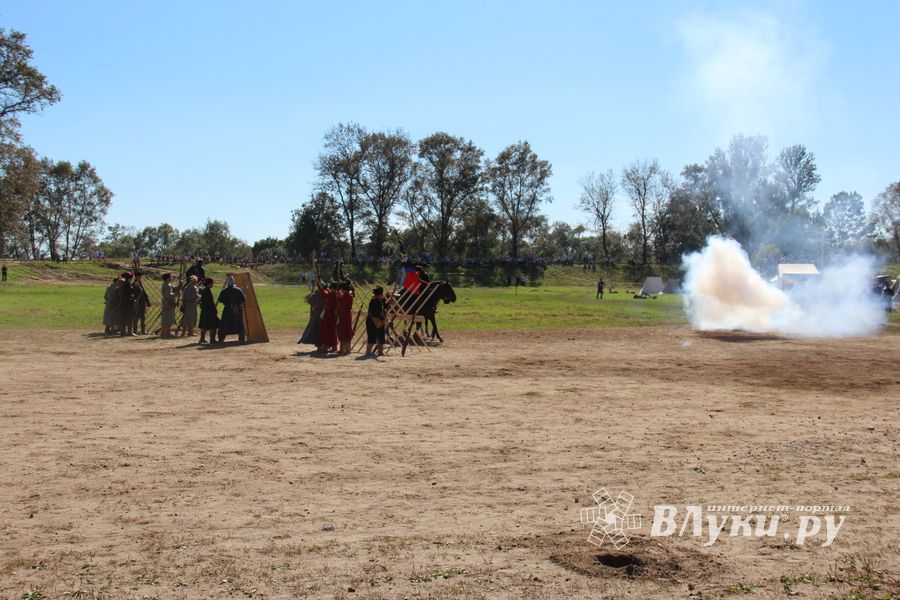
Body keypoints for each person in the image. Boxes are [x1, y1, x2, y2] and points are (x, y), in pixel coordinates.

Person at [217, 275, 246, 343]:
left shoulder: (224, 291)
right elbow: (243, 299)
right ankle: (241, 338)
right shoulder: (238, 290)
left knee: (225, 323)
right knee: (238, 323)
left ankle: (221, 339)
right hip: (237, 309)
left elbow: (220, 300)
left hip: (227, 309)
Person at [298, 286, 324, 350]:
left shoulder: (319, 294)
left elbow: (310, 300)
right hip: (320, 314)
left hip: (319, 315)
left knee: (318, 330)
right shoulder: (320, 294)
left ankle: (321, 345)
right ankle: (320, 345)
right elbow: (310, 300)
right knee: (318, 330)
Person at [365, 286, 387, 357]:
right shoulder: (373, 301)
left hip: (380, 320)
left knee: (381, 336)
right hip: (372, 321)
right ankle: (368, 352)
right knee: (371, 336)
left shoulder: (382, 300)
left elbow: (385, 306)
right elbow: (374, 312)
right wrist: (381, 313)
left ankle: (380, 352)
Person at [318, 281, 338, 353]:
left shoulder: (331, 294)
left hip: (329, 314)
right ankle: (334, 347)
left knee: (326, 330)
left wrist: (321, 288)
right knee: (333, 331)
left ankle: (325, 347)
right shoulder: (337, 294)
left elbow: (324, 295)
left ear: (332, 287)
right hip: (334, 315)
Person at [336, 280, 355, 355]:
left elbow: (342, 305)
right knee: (343, 332)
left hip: (345, 315)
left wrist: (339, 298)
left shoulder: (347, 296)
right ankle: (342, 349)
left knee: (346, 332)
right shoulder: (346, 295)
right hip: (344, 315)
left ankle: (347, 350)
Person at [198, 277, 219, 344]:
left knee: (205, 325)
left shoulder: (205, 290)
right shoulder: (206, 291)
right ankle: (212, 340)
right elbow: (210, 302)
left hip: (205, 310)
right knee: (213, 325)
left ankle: (202, 339)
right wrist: (214, 310)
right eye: (212, 283)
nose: (212, 284)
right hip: (209, 310)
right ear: (209, 283)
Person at [160, 273, 181, 338]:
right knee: (167, 318)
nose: (171, 278)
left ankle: (165, 333)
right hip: (168, 303)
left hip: (169, 303)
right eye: (170, 277)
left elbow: (174, 289)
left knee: (168, 318)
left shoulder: (168, 285)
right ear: (167, 278)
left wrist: (180, 284)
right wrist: (176, 293)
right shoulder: (166, 285)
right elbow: (168, 295)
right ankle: (166, 333)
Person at [119, 272, 137, 336]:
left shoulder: (124, 284)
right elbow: (130, 294)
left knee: (124, 318)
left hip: (124, 304)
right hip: (128, 304)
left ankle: (123, 332)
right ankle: (129, 332)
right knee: (130, 318)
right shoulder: (128, 284)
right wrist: (133, 299)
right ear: (130, 278)